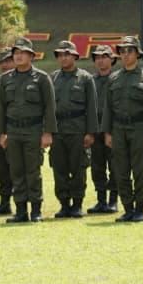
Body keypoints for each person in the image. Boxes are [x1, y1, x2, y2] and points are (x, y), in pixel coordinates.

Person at [0, 37, 56, 223]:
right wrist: (2, 133)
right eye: (16, 53)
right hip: (13, 132)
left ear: (31, 56)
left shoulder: (42, 78)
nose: (19, 56)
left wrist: (47, 133)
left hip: (34, 131)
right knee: (16, 172)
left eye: (23, 53)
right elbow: (1, 108)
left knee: (33, 172)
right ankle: (20, 210)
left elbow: (49, 107)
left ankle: (36, 210)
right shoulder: (5, 79)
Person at [99, 35, 143, 222]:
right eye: (122, 51)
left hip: (139, 128)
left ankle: (140, 208)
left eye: (129, 51)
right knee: (120, 170)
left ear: (137, 54)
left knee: (139, 170)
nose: (125, 54)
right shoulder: (114, 78)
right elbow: (108, 108)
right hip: (118, 129)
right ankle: (127, 208)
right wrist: (107, 132)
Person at [48, 41, 97, 218]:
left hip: (78, 130)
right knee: (59, 169)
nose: (63, 58)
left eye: (67, 54)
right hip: (58, 131)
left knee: (78, 168)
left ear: (75, 56)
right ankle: (64, 204)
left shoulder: (85, 78)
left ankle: (77, 204)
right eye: (60, 55)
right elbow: (47, 108)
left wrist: (90, 132)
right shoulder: (52, 78)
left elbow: (91, 107)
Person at [88, 44, 118, 214]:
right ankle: (101, 200)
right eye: (97, 57)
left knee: (115, 165)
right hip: (95, 126)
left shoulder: (117, 78)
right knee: (97, 166)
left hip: (114, 127)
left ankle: (113, 200)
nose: (100, 60)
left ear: (112, 59)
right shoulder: (90, 81)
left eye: (104, 56)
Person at [0, 47, 16, 215]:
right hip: (0, 131)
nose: (5, 65)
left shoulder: (29, 79)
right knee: (3, 169)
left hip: (20, 130)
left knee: (22, 169)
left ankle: (26, 203)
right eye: (2, 62)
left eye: (8, 61)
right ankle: (5, 202)